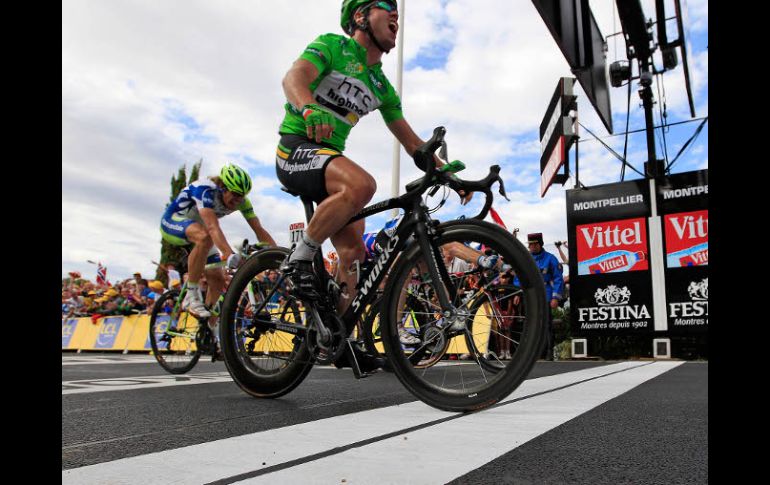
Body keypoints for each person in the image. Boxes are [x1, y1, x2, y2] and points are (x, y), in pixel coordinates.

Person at [275, 0, 471, 314]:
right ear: (360, 16)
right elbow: (293, 79)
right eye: (385, 7)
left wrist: (451, 177)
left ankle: (336, 335)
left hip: (329, 161)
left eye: (397, 11)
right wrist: (309, 107)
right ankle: (299, 259)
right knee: (362, 185)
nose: (396, 14)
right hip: (295, 147)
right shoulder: (332, 46)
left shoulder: (381, 86)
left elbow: (413, 144)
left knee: (353, 252)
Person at [160, 163, 276, 328]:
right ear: (223, 187)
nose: (238, 201)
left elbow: (259, 230)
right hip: (173, 222)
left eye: (242, 196)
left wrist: (280, 256)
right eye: (235, 195)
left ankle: (209, 328)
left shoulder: (242, 201)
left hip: (201, 231)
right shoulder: (206, 190)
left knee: (218, 279)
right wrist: (228, 253)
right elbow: (213, 227)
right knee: (205, 237)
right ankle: (191, 296)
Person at [519, 233, 564, 361]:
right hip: (530, 297)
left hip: (546, 295)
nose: (531, 247)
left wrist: (555, 297)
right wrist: (517, 294)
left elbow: (558, 278)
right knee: (532, 325)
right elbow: (519, 278)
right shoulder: (526, 259)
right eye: (530, 245)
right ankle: (537, 352)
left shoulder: (550, 258)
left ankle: (549, 352)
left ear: (540, 244)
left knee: (547, 324)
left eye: (533, 244)